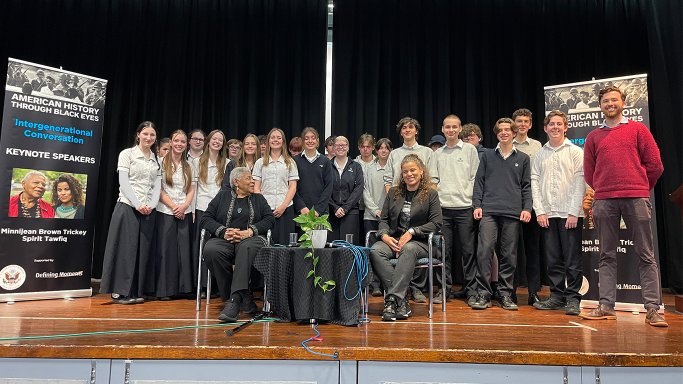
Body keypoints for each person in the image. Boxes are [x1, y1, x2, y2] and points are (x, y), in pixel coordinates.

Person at [580, 86, 667, 327]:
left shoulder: (638, 129)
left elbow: (655, 164)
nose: (610, 104)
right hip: (604, 200)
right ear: (600, 105)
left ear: (623, 102)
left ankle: (653, 309)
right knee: (606, 255)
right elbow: (590, 173)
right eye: (605, 101)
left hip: (636, 198)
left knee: (646, 255)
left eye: (614, 100)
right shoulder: (593, 137)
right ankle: (606, 306)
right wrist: (603, 188)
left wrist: (640, 186)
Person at [370, 154, 443, 321]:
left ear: (421, 172)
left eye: (412, 170)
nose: (409, 174)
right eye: (405, 172)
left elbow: (436, 223)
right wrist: (384, 235)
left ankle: (391, 300)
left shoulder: (430, 194)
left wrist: (412, 232)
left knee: (409, 249)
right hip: (394, 239)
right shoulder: (395, 192)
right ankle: (401, 300)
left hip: (420, 243)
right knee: (375, 251)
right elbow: (384, 219)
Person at [471, 118, 531, 311]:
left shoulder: (523, 158)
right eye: (500, 130)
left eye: (508, 129)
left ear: (514, 133)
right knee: (484, 251)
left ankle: (505, 294)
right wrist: (476, 205)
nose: (504, 132)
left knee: (509, 255)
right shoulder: (487, 156)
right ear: (497, 134)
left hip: (513, 212)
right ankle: (483, 294)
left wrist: (527, 208)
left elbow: (526, 186)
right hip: (488, 211)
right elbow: (479, 182)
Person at [201, 167, 275, 322]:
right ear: (236, 182)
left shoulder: (259, 199)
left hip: (253, 239)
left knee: (245, 247)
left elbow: (269, 219)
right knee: (211, 249)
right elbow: (206, 218)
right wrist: (223, 231)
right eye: (248, 178)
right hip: (225, 239)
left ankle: (234, 301)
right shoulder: (222, 196)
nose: (253, 181)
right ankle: (243, 295)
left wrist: (250, 232)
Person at [530, 110, 585, 315]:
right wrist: (540, 211)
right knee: (552, 259)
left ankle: (573, 299)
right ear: (545, 128)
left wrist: (573, 211)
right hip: (548, 214)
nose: (555, 127)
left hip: (569, 214)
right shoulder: (540, 154)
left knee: (572, 260)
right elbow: (534, 181)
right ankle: (556, 296)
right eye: (551, 124)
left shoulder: (575, 151)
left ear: (565, 127)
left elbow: (581, 182)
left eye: (559, 124)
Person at [100, 121, 161, 304]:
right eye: (145, 134)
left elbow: (157, 185)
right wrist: (137, 204)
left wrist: (150, 204)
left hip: (148, 210)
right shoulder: (127, 154)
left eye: (152, 135)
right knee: (125, 251)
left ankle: (135, 291)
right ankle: (119, 292)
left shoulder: (156, 158)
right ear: (138, 135)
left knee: (142, 251)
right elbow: (124, 182)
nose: (149, 138)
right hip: (128, 206)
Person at [430, 114, 480, 305]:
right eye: (447, 127)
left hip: (465, 208)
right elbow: (434, 181)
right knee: (444, 252)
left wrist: (475, 203)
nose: (451, 130)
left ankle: (472, 291)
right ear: (443, 130)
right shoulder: (437, 154)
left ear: (460, 129)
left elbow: (476, 179)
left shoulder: (470, 150)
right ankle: (444, 290)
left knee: (468, 252)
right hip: (443, 210)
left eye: (454, 127)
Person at [383, 116, 434, 302]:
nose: (407, 130)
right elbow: (389, 181)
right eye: (404, 127)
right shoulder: (394, 154)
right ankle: (404, 289)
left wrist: (421, 202)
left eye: (411, 127)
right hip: (399, 203)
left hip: (420, 206)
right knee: (383, 249)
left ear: (416, 130)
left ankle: (416, 288)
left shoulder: (427, 152)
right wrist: (394, 200)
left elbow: (433, 180)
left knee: (412, 247)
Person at [150, 130, 195, 300]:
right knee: (165, 251)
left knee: (183, 251)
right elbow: (158, 189)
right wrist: (174, 206)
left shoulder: (190, 165)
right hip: (166, 211)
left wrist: (184, 206)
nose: (179, 144)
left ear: (186, 144)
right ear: (171, 143)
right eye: (176, 141)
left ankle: (182, 289)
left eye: (183, 142)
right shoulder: (160, 163)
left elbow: (192, 189)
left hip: (184, 211)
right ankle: (164, 290)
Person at [192, 129, 230, 294]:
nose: (217, 142)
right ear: (208, 141)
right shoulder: (197, 161)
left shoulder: (227, 163)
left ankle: (215, 286)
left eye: (220, 140)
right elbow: (193, 188)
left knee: (217, 249)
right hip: (202, 208)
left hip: (220, 211)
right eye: (214, 139)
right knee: (201, 248)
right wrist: (192, 209)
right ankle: (201, 285)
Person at [512, 108, 543, 306]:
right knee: (511, 249)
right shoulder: (506, 144)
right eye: (519, 121)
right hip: (512, 203)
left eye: (526, 121)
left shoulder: (538, 146)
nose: (522, 124)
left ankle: (533, 292)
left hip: (532, 202)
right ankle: (511, 290)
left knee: (533, 249)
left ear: (530, 124)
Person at [253, 128, 299, 246]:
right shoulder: (260, 162)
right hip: (265, 210)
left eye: (279, 138)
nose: (275, 140)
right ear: (268, 141)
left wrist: (283, 206)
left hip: (286, 209)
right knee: (265, 245)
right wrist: (264, 207)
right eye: (273, 138)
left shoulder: (290, 162)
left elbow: (292, 187)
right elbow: (256, 188)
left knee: (285, 246)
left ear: (283, 141)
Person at [363, 138, 392, 296]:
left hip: (389, 219)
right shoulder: (368, 168)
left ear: (390, 150)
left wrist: (387, 213)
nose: (383, 151)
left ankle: (388, 283)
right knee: (371, 251)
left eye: (386, 148)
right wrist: (375, 210)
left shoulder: (394, 167)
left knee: (386, 252)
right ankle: (374, 285)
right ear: (376, 150)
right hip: (371, 216)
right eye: (380, 148)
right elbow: (364, 191)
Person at [329, 136, 364, 244]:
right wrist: (335, 208)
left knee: (349, 247)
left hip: (351, 212)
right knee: (331, 247)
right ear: (333, 148)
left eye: (343, 145)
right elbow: (324, 190)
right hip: (331, 213)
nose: (341, 147)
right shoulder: (327, 166)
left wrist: (345, 208)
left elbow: (358, 189)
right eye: (337, 145)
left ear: (348, 148)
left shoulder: (356, 166)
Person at [293, 127, 334, 217]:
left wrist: (318, 210)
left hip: (321, 214)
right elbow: (291, 187)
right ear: (302, 142)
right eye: (306, 138)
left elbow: (328, 187)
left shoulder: (325, 161)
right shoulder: (294, 161)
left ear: (317, 141)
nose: (310, 141)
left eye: (313, 138)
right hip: (301, 213)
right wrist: (301, 207)